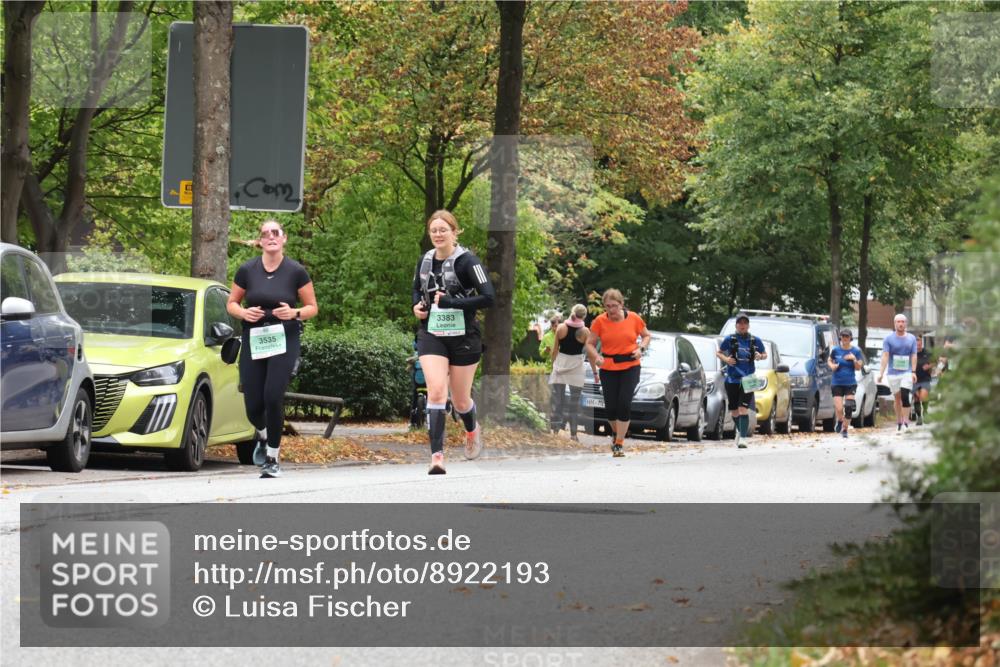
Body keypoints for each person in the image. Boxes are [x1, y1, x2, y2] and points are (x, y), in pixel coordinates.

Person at [227, 220, 318, 478]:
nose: (270, 237)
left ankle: (272, 458)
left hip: (284, 338)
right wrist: (244, 313)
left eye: (275, 232)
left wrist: (294, 313)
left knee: (273, 396)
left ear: (284, 238)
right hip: (255, 337)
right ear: (260, 241)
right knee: (253, 404)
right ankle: (264, 435)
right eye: (265, 234)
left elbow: (312, 307)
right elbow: (232, 303)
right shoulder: (247, 270)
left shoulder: (296, 271)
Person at [412, 209, 495, 474]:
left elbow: (489, 297)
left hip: (464, 337)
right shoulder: (425, 260)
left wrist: (452, 303)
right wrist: (417, 307)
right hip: (432, 334)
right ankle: (437, 457)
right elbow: (417, 289)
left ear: (454, 232)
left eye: (443, 230)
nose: (438, 234)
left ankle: (472, 430)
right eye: (433, 230)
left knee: (460, 402)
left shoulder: (468, 261)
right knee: (436, 392)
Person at [584, 289, 651, 457]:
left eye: (614, 306)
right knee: (611, 408)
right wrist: (596, 356)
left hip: (630, 366)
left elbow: (646, 336)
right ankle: (616, 432)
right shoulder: (600, 321)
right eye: (607, 306)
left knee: (624, 404)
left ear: (621, 304)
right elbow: (589, 344)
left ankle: (619, 443)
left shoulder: (634, 318)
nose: (611, 310)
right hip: (608, 368)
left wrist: (641, 349)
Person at [716, 312, 767, 449]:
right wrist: (726, 359)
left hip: (749, 378)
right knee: (734, 410)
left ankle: (743, 438)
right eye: (740, 323)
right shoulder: (730, 339)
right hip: (732, 378)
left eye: (745, 323)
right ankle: (740, 430)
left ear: (748, 325)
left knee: (743, 409)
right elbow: (718, 352)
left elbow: (765, 354)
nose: (742, 325)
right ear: (736, 325)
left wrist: (760, 356)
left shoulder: (755, 340)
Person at [548, 304, 598, 441]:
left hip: (561, 365)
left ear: (572, 312)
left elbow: (555, 350)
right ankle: (574, 435)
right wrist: (595, 373)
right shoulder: (585, 331)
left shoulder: (561, 328)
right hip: (576, 367)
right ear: (584, 316)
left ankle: (555, 432)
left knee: (558, 400)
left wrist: (553, 366)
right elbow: (591, 355)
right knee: (574, 403)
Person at [877, 313, 918, 433]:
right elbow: (885, 356)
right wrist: (881, 373)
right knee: (897, 398)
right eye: (898, 322)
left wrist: (913, 371)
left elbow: (914, 355)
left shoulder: (911, 338)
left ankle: (906, 422)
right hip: (893, 373)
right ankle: (899, 421)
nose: (900, 324)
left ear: (906, 324)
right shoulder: (888, 339)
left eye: (902, 322)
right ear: (894, 324)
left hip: (907, 372)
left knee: (905, 395)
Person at [828, 329, 863, 438]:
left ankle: (845, 429)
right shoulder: (835, 350)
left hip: (850, 383)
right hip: (837, 383)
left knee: (848, 407)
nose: (845, 338)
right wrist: (832, 366)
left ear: (850, 338)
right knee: (839, 409)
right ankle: (839, 420)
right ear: (840, 338)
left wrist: (854, 359)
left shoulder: (856, 351)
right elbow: (829, 360)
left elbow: (858, 367)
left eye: (847, 336)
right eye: (843, 336)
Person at [912, 336, 933, 425]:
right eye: (916, 344)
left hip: (925, 378)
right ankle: (919, 417)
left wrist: (929, 366)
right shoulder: (911, 353)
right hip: (914, 379)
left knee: (923, 396)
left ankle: (925, 411)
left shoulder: (927, 352)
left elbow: (934, 362)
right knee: (916, 398)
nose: (918, 346)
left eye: (919, 344)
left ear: (921, 343)